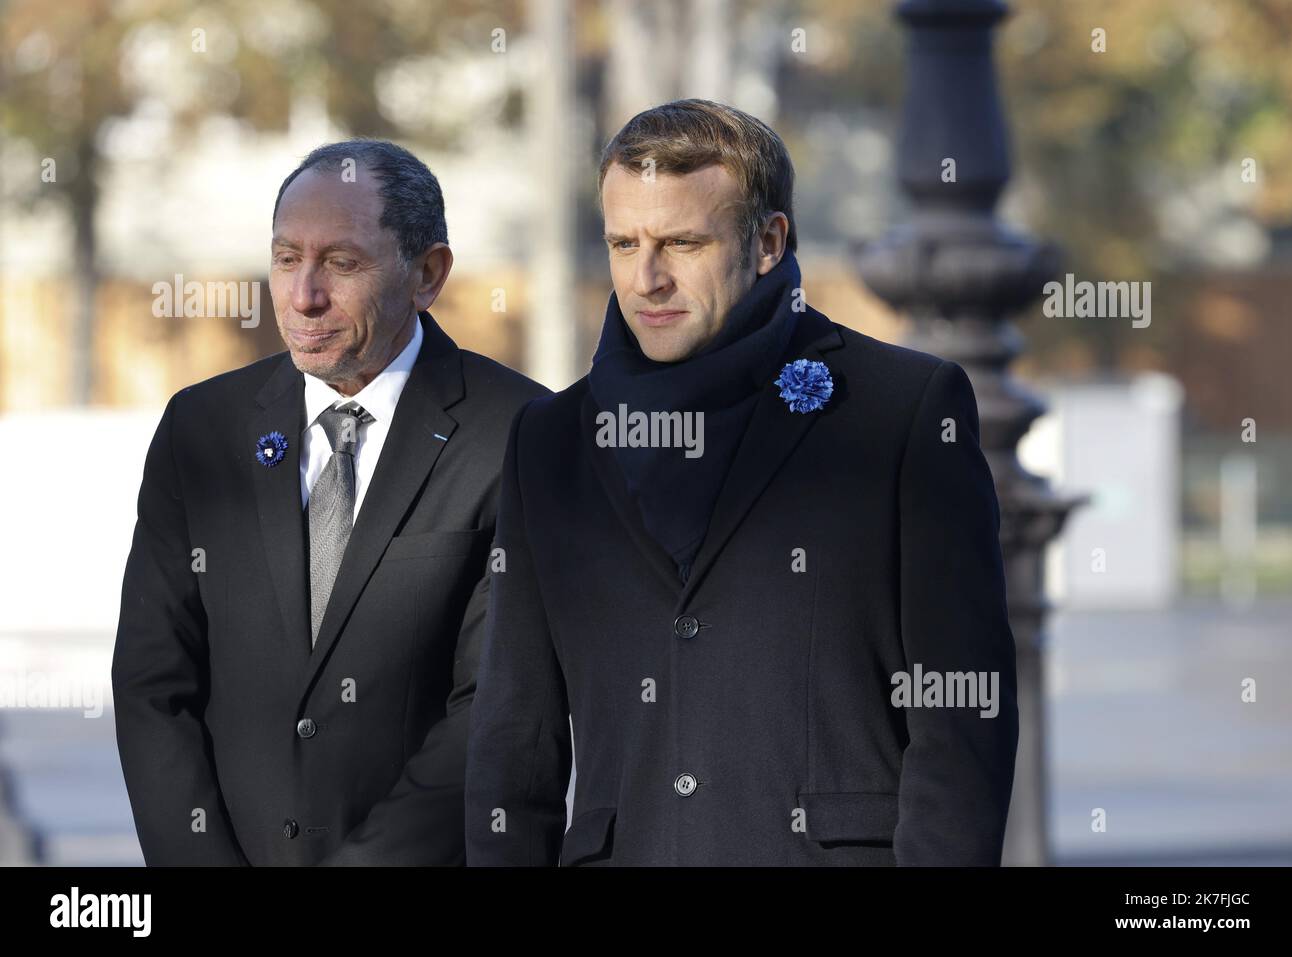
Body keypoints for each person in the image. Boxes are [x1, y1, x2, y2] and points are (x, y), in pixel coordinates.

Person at [465, 100, 1018, 866]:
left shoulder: (902, 411)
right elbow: (512, 735)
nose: (647, 277)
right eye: (624, 243)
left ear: (767, 241)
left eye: (682, 242)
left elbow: (960, 718)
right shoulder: (550, 440)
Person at [112, 139, 548, 865]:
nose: (304, 295)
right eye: (287, 259)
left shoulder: (519, 434)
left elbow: (498, 703)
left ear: (428, 274)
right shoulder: (202, 429)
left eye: (342, 264)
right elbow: (153, 683)